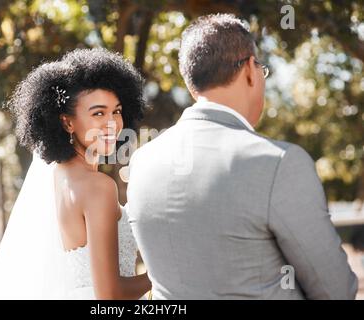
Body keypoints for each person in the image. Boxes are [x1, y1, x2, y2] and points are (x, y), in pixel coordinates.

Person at [126, 13, 358, 299]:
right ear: (250, 69)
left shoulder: (142, 162)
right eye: (263, 69)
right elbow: (335, 291)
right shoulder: (279, 162)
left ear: (191, 84)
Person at [0, 48, 151, 299]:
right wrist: (160, 274)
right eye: (98, 113)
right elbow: (111, 296)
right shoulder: (98, 186)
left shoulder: (56, 176)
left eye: (116, 111)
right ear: (67, 122)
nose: (112, 123)